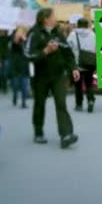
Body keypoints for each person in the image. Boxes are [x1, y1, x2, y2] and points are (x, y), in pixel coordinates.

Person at [25, 8, 80, 148]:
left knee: (61, 103)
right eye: (53, 16)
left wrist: (73, 68)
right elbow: (27, 54)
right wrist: (45, 51)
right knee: (40, 104)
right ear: (46, 19)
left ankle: (66, 134)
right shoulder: (34, 33)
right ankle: (38, 132)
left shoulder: (58, 33)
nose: (55, 18)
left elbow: (68, 53)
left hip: (58, 75)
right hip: (40, 76)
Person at [67, 18, 97, 113]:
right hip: (90, 62)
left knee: (78, 85)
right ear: (87, 25)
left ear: (78, 25)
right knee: (89, 83)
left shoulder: (73, 34)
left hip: (77, 63)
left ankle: (79, 104)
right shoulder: (93, 34)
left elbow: (68, 48)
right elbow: (96, 47)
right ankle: (91, 100)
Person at [9, 28, 30, 109]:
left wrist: (25, 40)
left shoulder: (26, 41)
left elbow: (28, 50)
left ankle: (23, 103)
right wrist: (17, 37)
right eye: (19, 32)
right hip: (15, 66)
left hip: (24, 66)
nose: (21, 33)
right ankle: (14, 97)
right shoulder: (14, 42)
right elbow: (15, 43)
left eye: (22, 32)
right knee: (15, 85)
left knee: (24, 86)